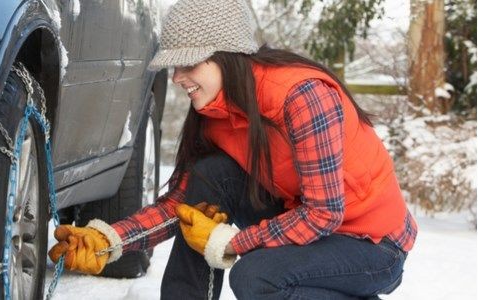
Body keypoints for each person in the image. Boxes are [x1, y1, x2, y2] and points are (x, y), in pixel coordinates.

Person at [48, 0, 417, 298]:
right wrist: (110, 240)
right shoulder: (215, 114)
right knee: (211, 177)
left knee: (256, 278)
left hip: (372, 245)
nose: (177, 78)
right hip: (309, 227)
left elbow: (324, 214)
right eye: (174, 66)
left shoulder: (302, 97)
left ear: (228, 56)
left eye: (188, 63)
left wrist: (233, 241)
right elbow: (182, 208)